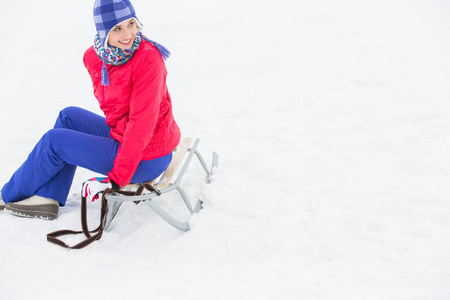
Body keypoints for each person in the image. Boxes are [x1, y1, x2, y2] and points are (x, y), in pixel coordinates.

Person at [0, 0, 181, 220]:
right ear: (104, 32)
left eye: (131, 23)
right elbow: (115, 109)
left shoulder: (148, 59)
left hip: (147, 156)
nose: (128, 34)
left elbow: (142, 122)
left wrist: (119, 176)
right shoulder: (98, 58)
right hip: (125, 136)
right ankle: (49, 196)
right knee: (68, 116)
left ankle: (8, 195)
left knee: (54, 141)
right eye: (117, 28)